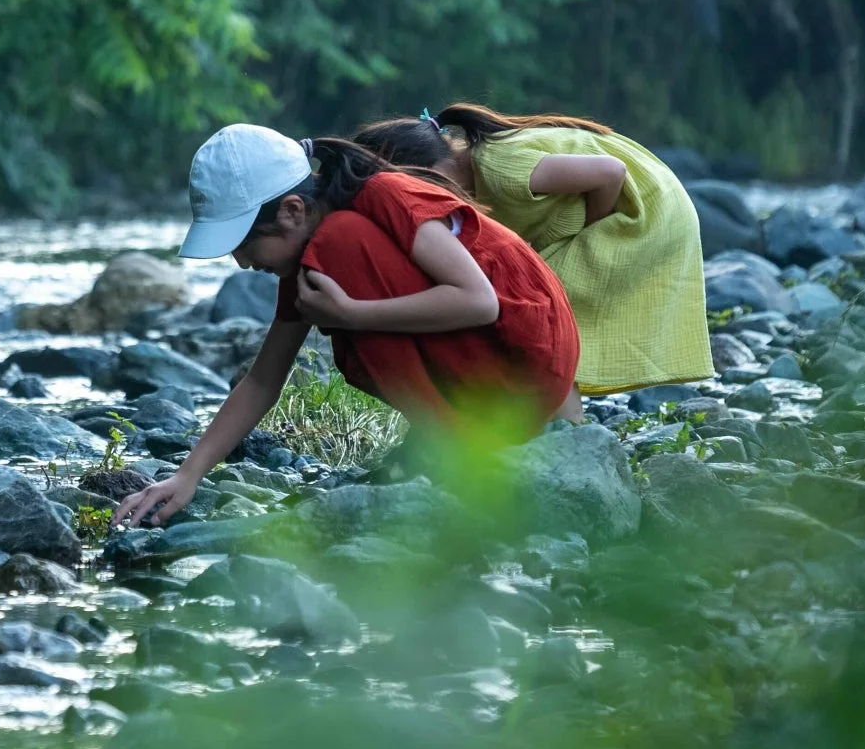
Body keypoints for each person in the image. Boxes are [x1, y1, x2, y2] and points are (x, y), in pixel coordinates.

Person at [113, 124, 580, 529]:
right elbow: (262, 380)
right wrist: (187, 476)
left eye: (245, 244)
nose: (242, 263)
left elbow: (479, 301)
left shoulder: (379, 199)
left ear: (293, 211)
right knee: (333, 258)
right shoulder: (307, 253)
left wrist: (352, 315)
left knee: (341, 242)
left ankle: (455, 447)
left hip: (524, 360)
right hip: (510, 371)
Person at [349, 103, 711, 398]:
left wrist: (586, 234)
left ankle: (563, 415)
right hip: (648, 203)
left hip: (646, 212)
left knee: (543, 308)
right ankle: (559, 406)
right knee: (538, 299)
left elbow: (610, 172)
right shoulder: (477, 172)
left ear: (431, 170)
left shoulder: (501, 168)